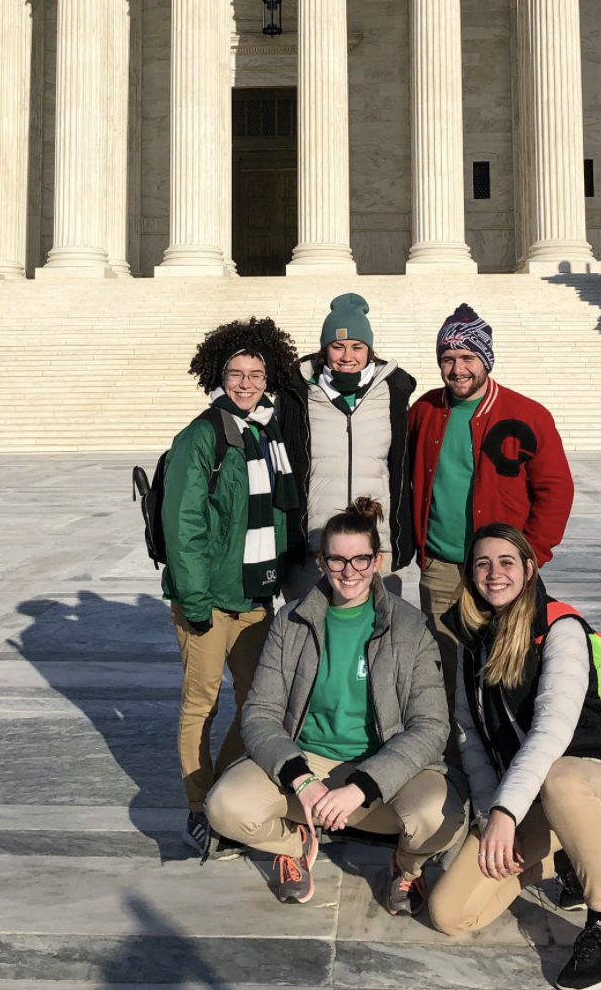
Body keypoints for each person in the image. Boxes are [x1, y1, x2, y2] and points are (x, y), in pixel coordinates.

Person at [206, 498, 463, 910]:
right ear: (322, 563)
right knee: (224, 807)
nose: (350, 572)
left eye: (360, 560)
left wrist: (360, 788)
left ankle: (408, 867)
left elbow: (431, 727)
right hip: (307, 761)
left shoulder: (410, 626)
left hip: (383, 767)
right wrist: (302, 781)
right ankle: (294, 844)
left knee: (440, 819)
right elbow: (260, 714)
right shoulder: (291, 622)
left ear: (377, 561)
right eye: (338, 561)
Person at [427, 524, 601, 990]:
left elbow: (551, 732)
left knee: (561, 778)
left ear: (528, 569)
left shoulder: (560, 629)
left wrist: (508, 813)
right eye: (482, 564)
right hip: (531, 800)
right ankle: (567, 851)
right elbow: (469, 736)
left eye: (506, 562)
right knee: (451, 913)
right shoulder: (472, 642)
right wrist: (491, 818)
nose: (494, 573)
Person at [161, 317, 301, 855]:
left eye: (256, 373)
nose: (246, 383)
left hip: (255, 596)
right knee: (202, 704)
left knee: (258, 705)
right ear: (218, 375)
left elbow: (278, 516)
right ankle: (200, 806)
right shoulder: (201, 434)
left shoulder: (266, 432)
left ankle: (221, 785)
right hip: (210, 599)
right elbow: (184, 523)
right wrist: (193, 598)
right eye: (236, 373)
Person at [409, 304, 574, 707]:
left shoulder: (528, 415)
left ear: (485, 360)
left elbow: (556, 491)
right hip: (443, 567)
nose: (457, 369)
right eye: (447, 359)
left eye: (467, 357)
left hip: (503, 570)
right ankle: (452, 759)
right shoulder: (424, 411)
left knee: (506, 674)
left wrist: (529, 554)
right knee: (443, 676)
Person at [278, 293, 417, 600]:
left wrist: (399, 540)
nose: (347, 356)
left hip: (376, 547)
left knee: (376, 641)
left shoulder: (392, 392)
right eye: (337, 346)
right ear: (324, 349)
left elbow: (401, 468)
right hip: (313, 549)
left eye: (357, 346)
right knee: (309, 640)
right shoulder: (297, 393)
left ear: (369, 350)